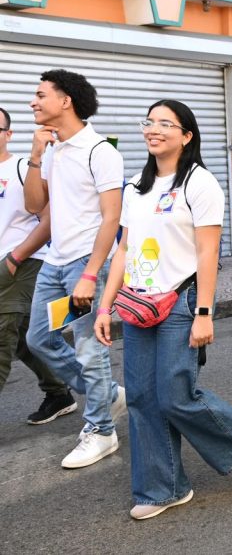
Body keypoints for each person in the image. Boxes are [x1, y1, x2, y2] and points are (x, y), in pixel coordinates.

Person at [94, 100, 232, 520]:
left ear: (186, 135)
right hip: (137, 304)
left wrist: (205, 311)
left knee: (174, 394)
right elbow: (124, 250)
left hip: (181, 300)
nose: (153, 129)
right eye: (148, 121)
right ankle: (162, 488)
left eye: (164, 123)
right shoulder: (136, 186)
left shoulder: (200, 183)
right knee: (143, 399)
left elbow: (208, 251)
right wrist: (104, 306)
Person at [23, 69, 127, 469]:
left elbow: (111, 217)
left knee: (90, 350)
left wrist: (91, 272)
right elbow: (36, 206)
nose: (33, 101)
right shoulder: (52, 150)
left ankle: (101, 430)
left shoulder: (99, 151)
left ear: (65, 101)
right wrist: (34, 156)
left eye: (40, 94)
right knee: (39, 340)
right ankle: (108, 396)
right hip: (54, 261)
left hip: (86, 261)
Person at [0, 107, 72, 420]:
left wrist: (15, 258)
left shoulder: (21, 167)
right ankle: (59, 393)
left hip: (23, 263)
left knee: (2, 336)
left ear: (8, 134)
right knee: (29, 340)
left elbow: (47, 218)